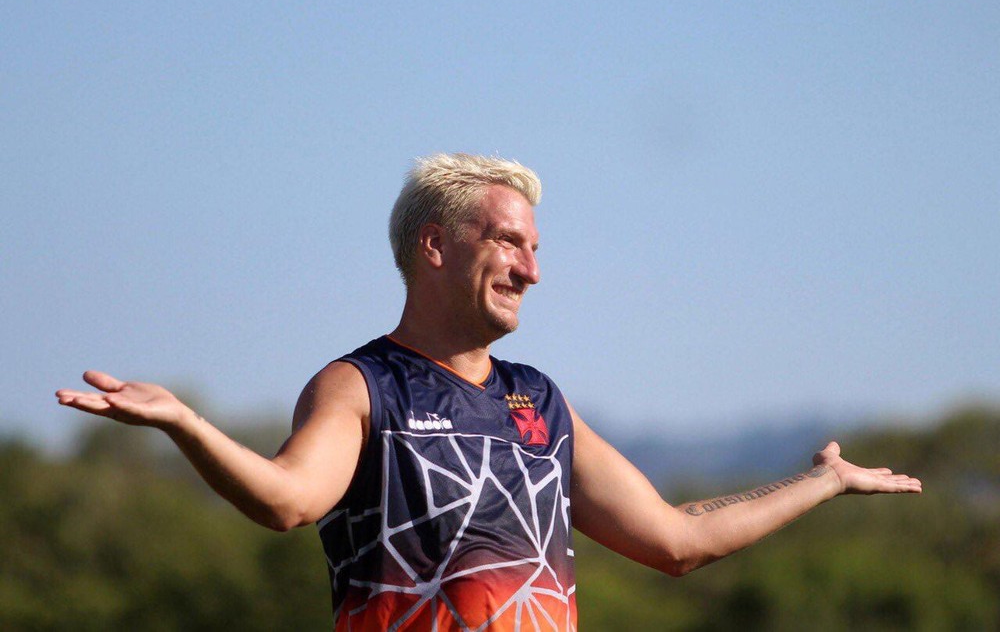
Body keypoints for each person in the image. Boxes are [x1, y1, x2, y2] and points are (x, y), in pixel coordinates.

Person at [56, 153, 922, 631]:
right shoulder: (360, 386)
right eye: (508, 241)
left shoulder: (540, 400)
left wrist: (822, 481)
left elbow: (675, 539)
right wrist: (185, 423)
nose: (531, 270)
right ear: (435, 245)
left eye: (535, 248)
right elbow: (287, 500)